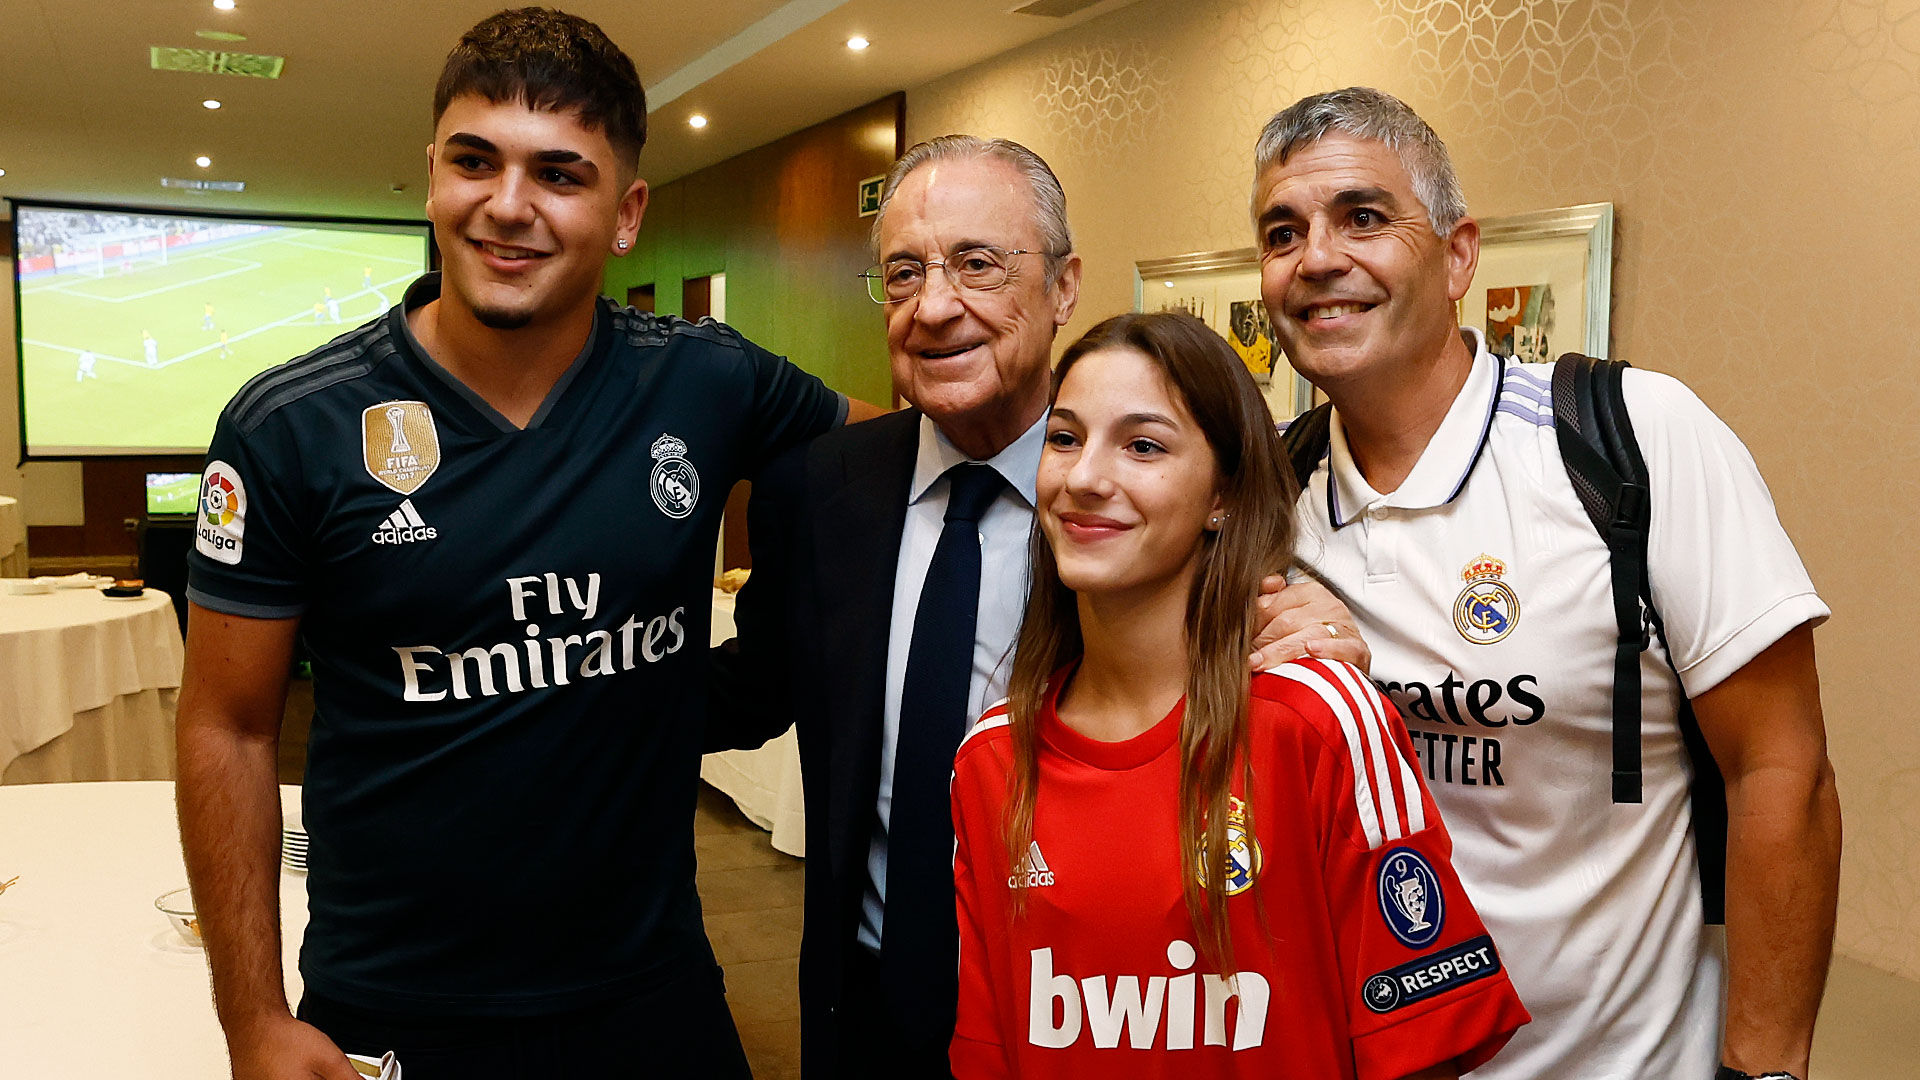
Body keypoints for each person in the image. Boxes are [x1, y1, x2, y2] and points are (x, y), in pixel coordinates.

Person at [177, 10, 856, 1080]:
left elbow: (896, 457)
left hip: (651, 986)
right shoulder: (290, 425)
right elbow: (228, 727)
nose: (507, 205)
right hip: (395, 997)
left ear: (627, 213)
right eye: (475, 160)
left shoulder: (707, 380)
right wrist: (252, 1018)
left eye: (559, 173)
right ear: (434, 175)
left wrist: (1206, 538)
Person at [710, 135, 1367, 1075]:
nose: (935, 308)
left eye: (979, 264)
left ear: (1064, 287)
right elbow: (753, 687)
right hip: (866, 1009)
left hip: (1095, 1015)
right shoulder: (820, 490)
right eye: (903, 274)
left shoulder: (1142, 511)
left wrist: (1315, 634)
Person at [1250, 87, 1840, 1080]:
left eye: (1363, 217)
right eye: (1282, 231)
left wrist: (1764, 1070)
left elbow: (1783, 772)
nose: (1316, 258)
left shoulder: (1632, 440)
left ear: (1460, 256)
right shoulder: (1265, 498)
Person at [949, 311, 1528, 1077]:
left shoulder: (1319, 721)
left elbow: (1425, 1049)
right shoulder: (992, 759)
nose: (1085, 477)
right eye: (1064, 437)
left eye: (1143, 445)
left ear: (1222, 495)